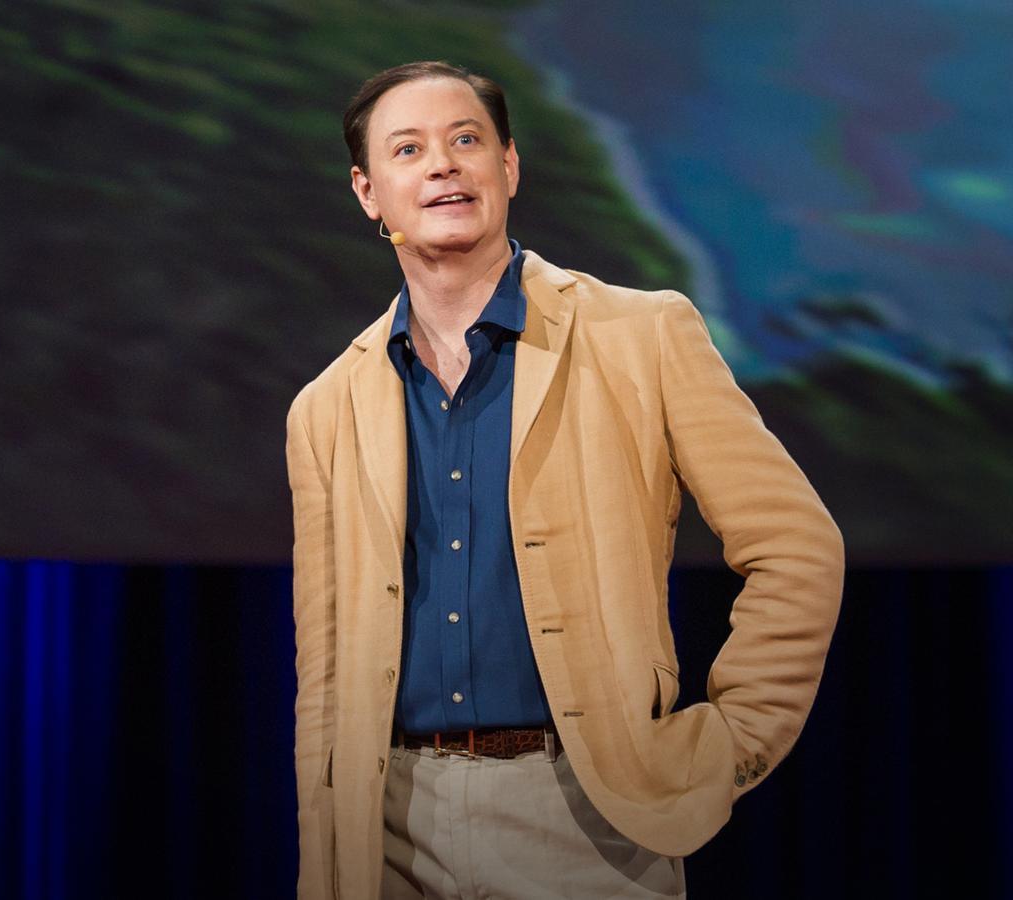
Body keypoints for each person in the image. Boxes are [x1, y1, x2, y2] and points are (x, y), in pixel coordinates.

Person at [285, 60, 844, 900]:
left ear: (508, 165)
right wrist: (327, 861)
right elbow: (325, 673)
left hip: (587, 821)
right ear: (368, 192)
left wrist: (731, 744)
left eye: (466, 139)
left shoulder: (643, 335)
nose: (442, 165)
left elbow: (796, 546)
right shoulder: (327, 407)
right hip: (391, 829)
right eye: (408, 149)